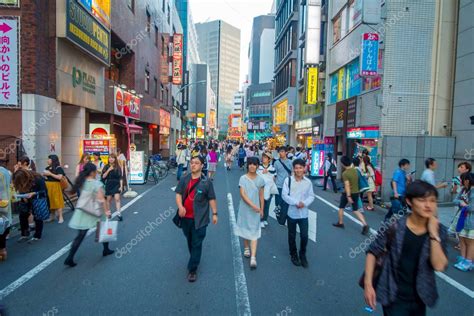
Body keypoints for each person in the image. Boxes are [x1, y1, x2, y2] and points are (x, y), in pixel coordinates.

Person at [363, 180, 448, 315]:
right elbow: (373, 251)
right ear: (409, 201)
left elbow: (439, 266)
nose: (428, 205)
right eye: (422, 200)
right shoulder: (394, 225)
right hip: (393, 294)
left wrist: (433, 234)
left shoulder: (440, 230)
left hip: (421, 297)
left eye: (432, 201)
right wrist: (368, 285)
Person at [175, 156, 218, 282]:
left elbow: (211, 198)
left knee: (197, 243)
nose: (193, 165)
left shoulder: (207, 182)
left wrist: (215, 213)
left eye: (196, 163)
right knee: (190, 241)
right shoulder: (184, 179)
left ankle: (192, 269)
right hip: (185, 218)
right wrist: (180, 206)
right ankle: (194, 258)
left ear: (202, 166)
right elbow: (178, 194)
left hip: (200, 219)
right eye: (191, 163)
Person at [64, 163, 114, 267]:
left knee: (80, 235)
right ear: (92, 172)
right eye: (95, 171)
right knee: (104, 228)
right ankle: (106, 249)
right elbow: (101, 200)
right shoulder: (96, 184)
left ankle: (70, 257)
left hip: (83, 210)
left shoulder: (81, 182)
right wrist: (107, 211)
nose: (96, 173)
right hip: (95, 209)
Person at [282, 159, 315, 268]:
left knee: (304, 236)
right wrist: (296, 202)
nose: (298, 170)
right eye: (296, 168)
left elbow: (311, 196)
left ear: (304, 168)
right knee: (291, 235)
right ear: (293, 169)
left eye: (300, 167)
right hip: (292, 213)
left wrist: (304, 203)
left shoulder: (308, 182)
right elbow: (284, 195)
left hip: (303, 214)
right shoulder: (288, 180)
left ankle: (302, 254)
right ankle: (293, 254)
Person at [236, 157, 265, 269]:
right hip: (245, 208)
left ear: (258, 166)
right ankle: (246, 247)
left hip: (256, 210)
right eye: (250, 164)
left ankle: (253, 257)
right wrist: (254, 206)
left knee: (254, 231)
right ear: (247, 165)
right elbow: (242, 194)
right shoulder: (243, 178)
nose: (252, 166)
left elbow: (261, 195)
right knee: (245, 227)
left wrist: (261, 208)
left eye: (254, 164)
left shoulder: (260, 180)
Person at [332, 156, 370, 235]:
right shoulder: (355, 170)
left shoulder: (345, 173)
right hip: (356, 192)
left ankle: (340, 222)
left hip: (348, 193)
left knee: (341, 207)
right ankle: (365, 224)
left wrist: (348, 196)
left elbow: (347, 185)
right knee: (355, 209)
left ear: (343, 164)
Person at [12, 169, 47, 243]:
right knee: (22, 215)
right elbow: (21, 188)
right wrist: (22, 195)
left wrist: (33, 193)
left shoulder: (37, 178)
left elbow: (44, 191)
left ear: (25, 177)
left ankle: (37, 236)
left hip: (37, 199)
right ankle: (24, 234)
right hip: (26, 198)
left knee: (37, 216)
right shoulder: (21, 180)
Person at [450, 172, 474, 271]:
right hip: (462, 218)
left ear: (467, 180)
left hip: (471, 220)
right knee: (462, 239)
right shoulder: (464, 190)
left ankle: (469, 262)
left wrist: (464, 205)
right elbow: (455, 200)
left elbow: (472, 207)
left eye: (463, 180)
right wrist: (461, 203)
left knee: (470, 242)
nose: (462, 182)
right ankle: (463, 259)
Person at [43, 154, 65, 224]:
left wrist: (50, 174)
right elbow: (45, 177)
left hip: (55, 185)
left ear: (53, 160)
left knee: (57, 201)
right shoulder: (47, 168)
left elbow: (60, 177)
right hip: (47, 185)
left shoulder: (58, 168)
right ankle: (52, 216)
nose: (47, 160)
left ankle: (60, 217)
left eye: (49, 159)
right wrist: (44, 175)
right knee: (50, 201)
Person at [257, 152, 277, 228]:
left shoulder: (272, 168)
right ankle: (260, 220)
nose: (263, 159)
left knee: (267, 205)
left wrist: (268, 173)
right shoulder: (259, 167)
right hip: (261, 190)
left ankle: (265, 219)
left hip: (269, 189)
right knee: (261, 205)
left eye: (265, 158)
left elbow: (274, 177)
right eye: (263, 157)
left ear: (269, 159)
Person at [102, 154, 123, 221]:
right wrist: (108, 170)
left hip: (116, 184)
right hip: (109, 184)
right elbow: (103, 177)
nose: (111, 159)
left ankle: (119, 213)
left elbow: (120, 177)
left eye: (113, 158)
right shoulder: (106, 166)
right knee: (109, 200)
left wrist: (121, 186)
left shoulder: (118, 166)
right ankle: (109, 213)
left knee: (117, 199)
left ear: (115, 159)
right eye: (110, 158)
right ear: (108, 159)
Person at [273, 146, 293, 216]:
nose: (280, 153)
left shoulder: (291, 162)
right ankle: (278, 212)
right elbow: (274, 174)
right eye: (279, 152)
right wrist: (273, 185)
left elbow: (293, 173)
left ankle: (285, 214)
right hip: (279, 184)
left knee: (286, 201)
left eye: (282, 151)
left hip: (288, 185)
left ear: (286, 152)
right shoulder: (276, 163)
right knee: (278, 201)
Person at [0, 165, 12, 261]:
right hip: (6, 202)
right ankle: (3, 250)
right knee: (3, 226)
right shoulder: (6, 171)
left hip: (1, 202)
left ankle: (2, 251)